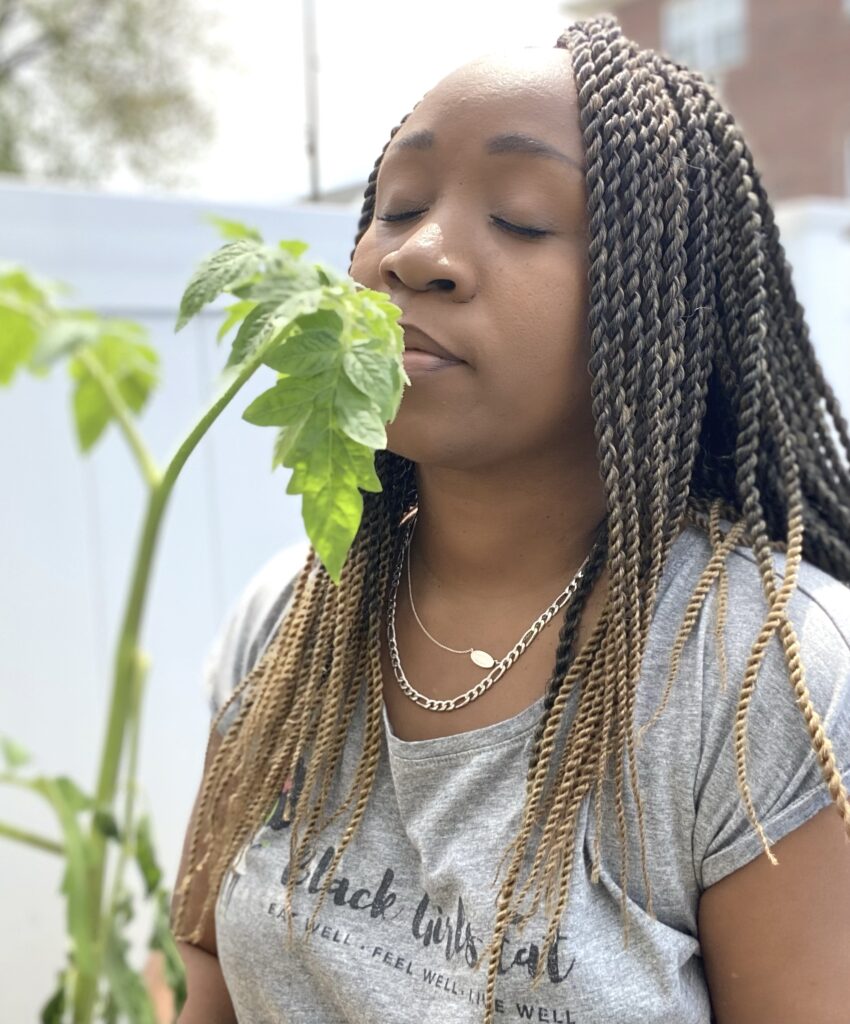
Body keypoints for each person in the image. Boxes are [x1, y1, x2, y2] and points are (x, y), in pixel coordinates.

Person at [169, 15, 850, 1024]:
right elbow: (208, 995)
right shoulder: (287, 621)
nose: (418, 255)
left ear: (660, 304)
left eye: (523, 218)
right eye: (397, 207)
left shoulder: (762, 674)